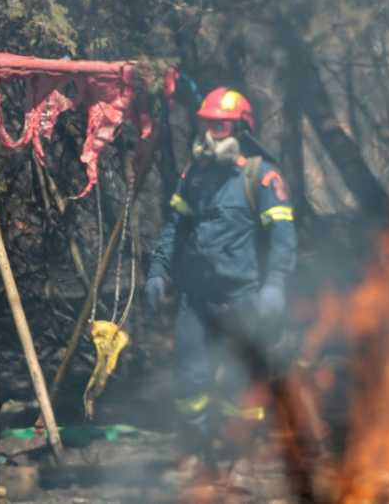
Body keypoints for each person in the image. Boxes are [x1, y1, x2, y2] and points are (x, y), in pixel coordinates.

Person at [144, 86, 297, 483]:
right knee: (190, 380)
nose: (211, 133)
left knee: (240, 384)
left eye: (221, 125)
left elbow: (282, 237)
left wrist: (275, 285)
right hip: (197, 300)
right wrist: (159, 270)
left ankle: (239, 457)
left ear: (241, 130)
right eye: (206, 125)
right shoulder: (194, 176)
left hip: (242, 298)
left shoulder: (262, 177)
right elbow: (175, 229)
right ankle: (196, 454)